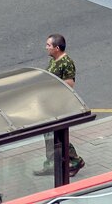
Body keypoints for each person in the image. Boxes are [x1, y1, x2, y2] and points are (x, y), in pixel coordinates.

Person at [35, 33, 85, 177]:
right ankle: (51, 163)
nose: (46, 48)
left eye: (48, 45)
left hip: (58, 106)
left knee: (57, 135)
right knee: (50, 135)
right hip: (50, 104)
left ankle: (75, 160)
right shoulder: (54, 60)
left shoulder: (66, 63)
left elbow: (69, 84)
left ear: (57, 48)